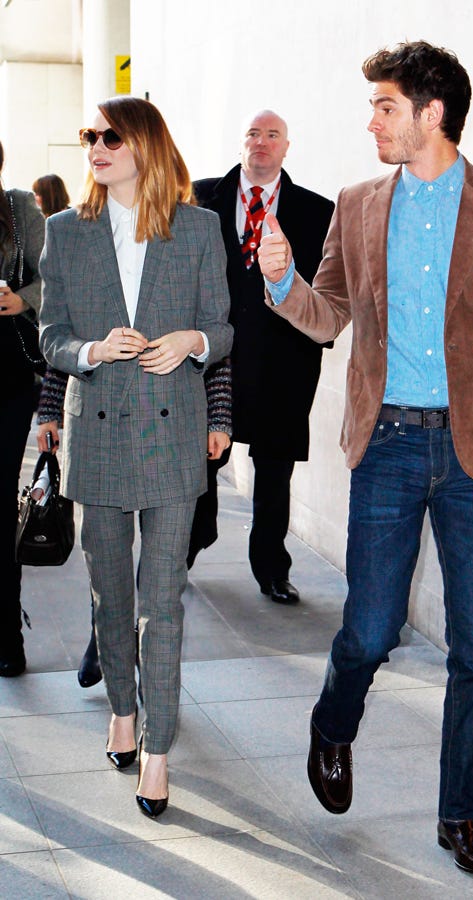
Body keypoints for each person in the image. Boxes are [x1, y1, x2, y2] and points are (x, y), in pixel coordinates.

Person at [258, 41, 473, 874]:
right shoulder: (358, 206)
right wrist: (284, 282)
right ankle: (333, 724)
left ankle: (456, 817)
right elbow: (327, 318)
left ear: (432, 114)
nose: (372, 121)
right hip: (390, 444)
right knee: (369, 630)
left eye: (385, 107)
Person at [39, 96, 232, 819]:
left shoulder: (198, 229)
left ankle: (156, 749)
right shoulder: (68, 231)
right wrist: (90, 351)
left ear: (144, 145)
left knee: (163, 605)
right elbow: (51, 334)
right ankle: (122, 705)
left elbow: (224, 330)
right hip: (99, 433)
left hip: (173, 435)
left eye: (108, 135)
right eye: (88, 134)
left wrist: (193, 342)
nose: (94, 145)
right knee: (109, 594)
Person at [193, 110, 334, 605]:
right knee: (199, 463)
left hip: (283, 365)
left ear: (286, 147)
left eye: (272, 134)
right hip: (215, 361)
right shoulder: (197, 197)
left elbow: (328, 292)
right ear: (241, 143)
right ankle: (190, 541)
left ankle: (271, 567)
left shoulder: (318, 211)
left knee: (275, 476)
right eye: (253, 133)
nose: (262, 142)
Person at [36, 357, 233, 688]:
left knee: (165, 557)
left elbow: (213, 341)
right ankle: (105, 633)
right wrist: (50, 411)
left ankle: (145, 650)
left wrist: (219, 419)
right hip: (105, 420)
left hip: (174, 421)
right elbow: (69, 332)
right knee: (105, 546)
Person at [0, 140, 46, 677]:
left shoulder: (18, 207)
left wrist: (21, 298)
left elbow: (50, 276)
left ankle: (7, 634)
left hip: (7, 378)